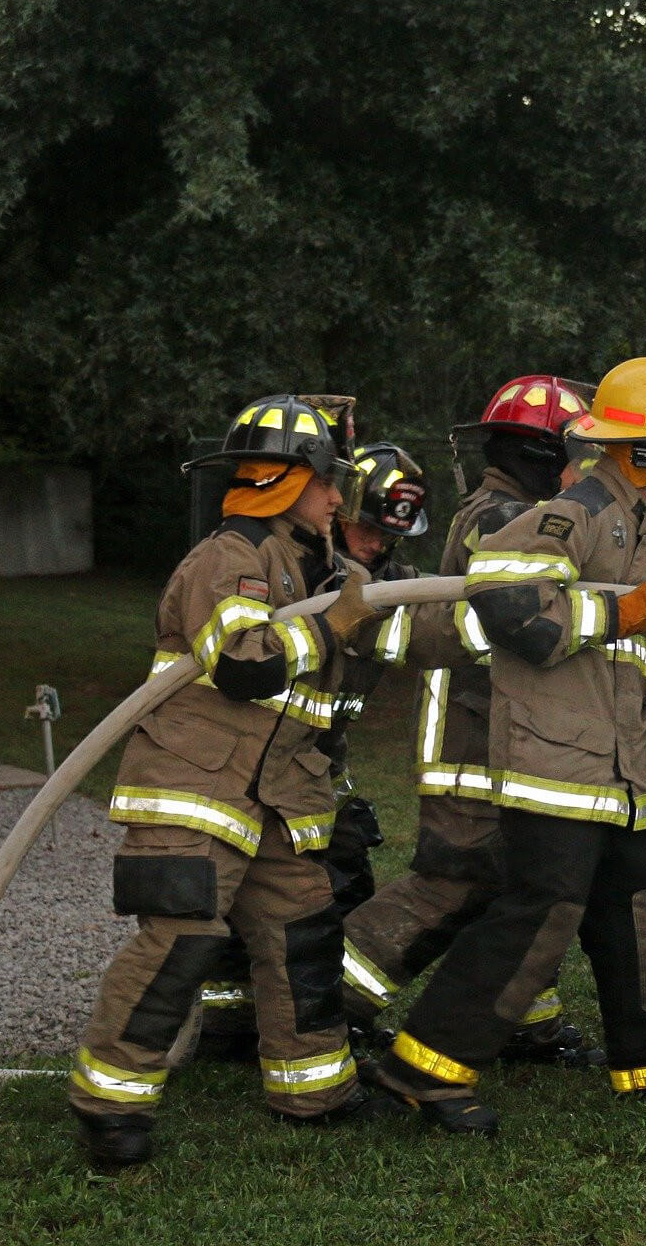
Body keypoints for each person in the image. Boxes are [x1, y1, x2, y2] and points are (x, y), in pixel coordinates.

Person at [367, 357, 646, 1132]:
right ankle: (422, 1070)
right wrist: (613, 615)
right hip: (557, 762)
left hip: (622, 767)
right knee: (538, 914)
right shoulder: (579, 510)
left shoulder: (641, 526)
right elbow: (505, 599)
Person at [68, 395, 389, 1167]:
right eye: (328, 482)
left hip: (278, 800)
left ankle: (316, 1092)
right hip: (196, 789)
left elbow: (409, 624)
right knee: (180, 943)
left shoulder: (326, 568)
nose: (338, 499)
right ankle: (110, 1108)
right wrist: (331, 625)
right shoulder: (227, 559)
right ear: (287, 480)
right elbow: (246, 664)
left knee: (302, 938)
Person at [340, 377, 601, 1064]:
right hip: (470, 733)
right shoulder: (503, 518)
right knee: (454, 881)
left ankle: (522, 1022)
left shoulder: (512, 510)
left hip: (502, 729)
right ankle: (323, 1003)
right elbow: (519, 622)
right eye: (577, 452)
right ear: (544, 453)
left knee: (518, 882)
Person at [193, 441, 432, 1061]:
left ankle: (319, 1021)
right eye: (366, 527)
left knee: (334, 887)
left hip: (319, 762)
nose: (375, 543)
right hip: (256, 761)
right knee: (245, 901)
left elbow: (419, 637)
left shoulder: (389, 585)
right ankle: (228, 1028)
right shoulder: (292, 572)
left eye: (389, 535)